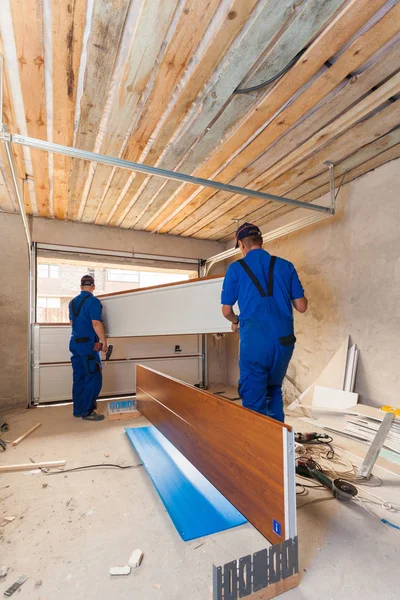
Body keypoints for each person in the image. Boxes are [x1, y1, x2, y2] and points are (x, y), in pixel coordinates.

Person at [221, 223, 307, 422]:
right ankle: (276, 445)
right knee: (273, 389)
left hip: (255, 342)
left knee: (253, 397)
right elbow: (301, 306)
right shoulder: (286, 265)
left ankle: (256, 446)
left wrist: (236, 322)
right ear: (261, 241)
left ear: (241, 244)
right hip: (284, 342)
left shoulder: (236, 269)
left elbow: (226, 311)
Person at [69, 275, 108, 421]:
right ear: (93, 287)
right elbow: (96, 323)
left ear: (80, 286)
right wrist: (103, 341)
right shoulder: (93, 301)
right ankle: (88, 411)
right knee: (93, 377)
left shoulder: (72, 302)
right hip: (88, 347)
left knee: (79, 377)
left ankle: (78, 410)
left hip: (75, 344)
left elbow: (71, 323)